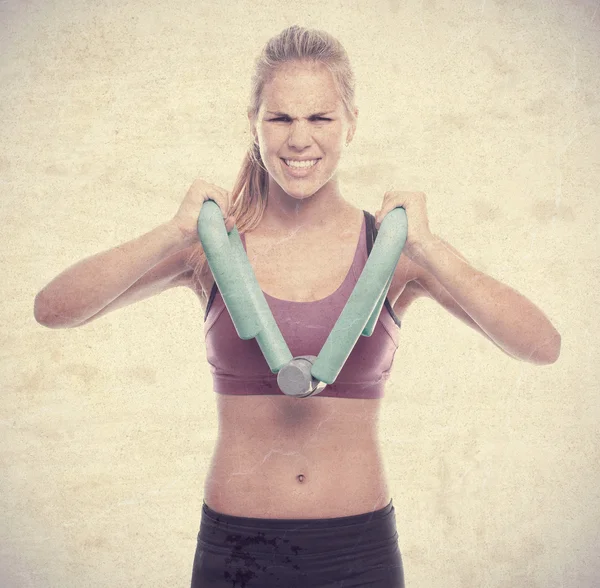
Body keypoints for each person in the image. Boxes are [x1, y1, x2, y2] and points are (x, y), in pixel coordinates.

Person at [34, 25, 561, 588]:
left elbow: (541, 345)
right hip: (236, 548)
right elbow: (54, 308)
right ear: (254, 123)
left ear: (351, 123)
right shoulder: (212, 248)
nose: (299, 139)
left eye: (320, 118)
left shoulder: (388, 251)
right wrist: (170, 233)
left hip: (358, 550)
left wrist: (430, 249)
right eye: (280, 119)